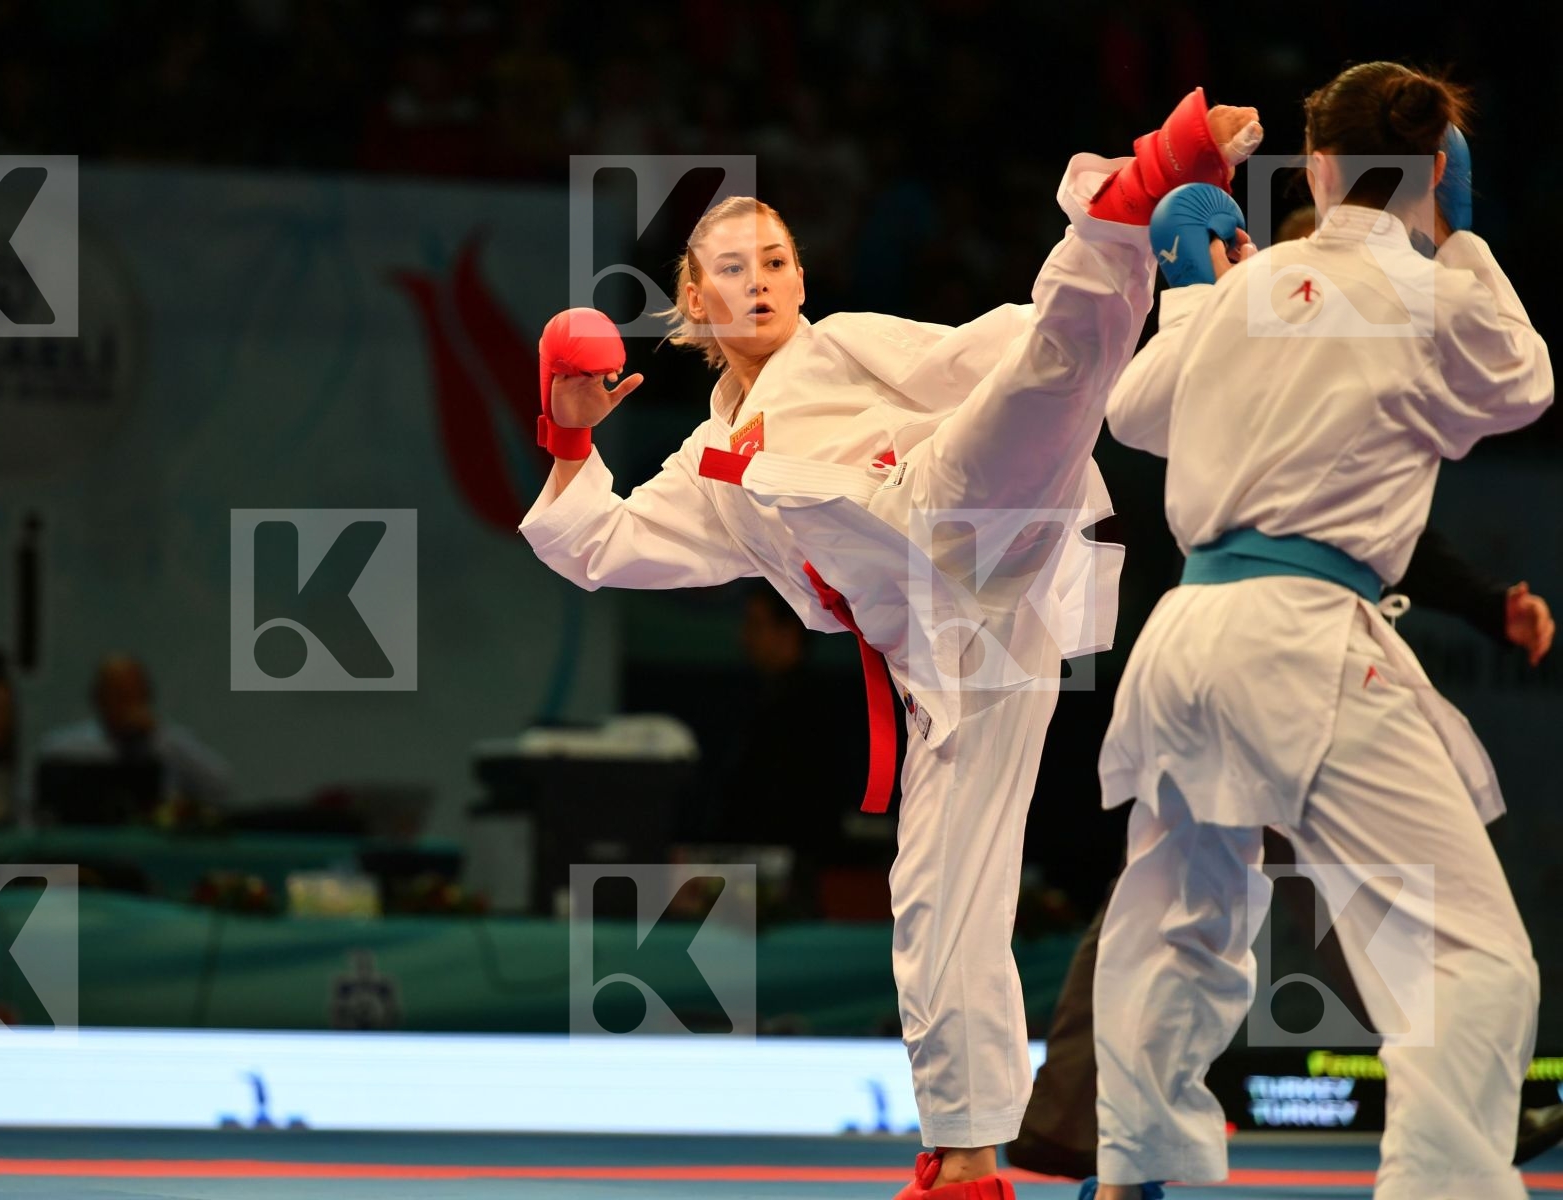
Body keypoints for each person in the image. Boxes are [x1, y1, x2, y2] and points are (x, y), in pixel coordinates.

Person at [521, 88, 1264, 1199]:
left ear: (802, 282)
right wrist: (570, 438)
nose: (761, 279)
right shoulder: (707, 464)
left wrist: (1086, 336)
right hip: (949, 656)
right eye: (733, 267)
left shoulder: (844, 347)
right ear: (693, 300)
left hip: (953, 511)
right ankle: (965, 1157)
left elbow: (982, 359)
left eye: (777, 260)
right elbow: (601, 545)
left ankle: (1133, 194)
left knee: (1040, 382)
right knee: (936, 894)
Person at [1008, 196, 1562, 1181]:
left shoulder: (1249, 320)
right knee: (1425, 930)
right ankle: (1458, 1121)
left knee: (1175, 913)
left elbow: (1146, 413)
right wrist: (1459, 240)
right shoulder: (1287, 322)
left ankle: (1126, 1159)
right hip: (1278, 650)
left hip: (1201, 648)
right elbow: (1518, 381)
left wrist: (1192, 294)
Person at [35, 654, 233, 814]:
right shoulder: (63, 749)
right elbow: (36, 805)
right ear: (98, 698)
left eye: (134, 693)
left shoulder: (169, 743)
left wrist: (160, 737)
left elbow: (221, 787)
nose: (127, 703)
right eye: (117, 694)